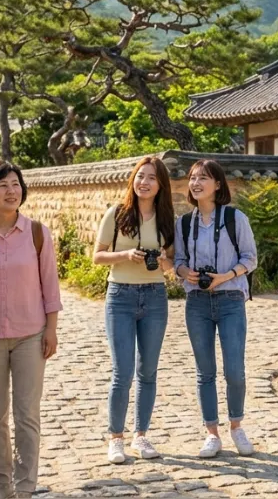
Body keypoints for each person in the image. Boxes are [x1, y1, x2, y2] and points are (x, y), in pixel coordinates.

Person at [0, 161, 62, 499]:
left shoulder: (37, 232)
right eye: (3, 185)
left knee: (27, 416)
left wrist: (51, 329)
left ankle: (25, 488)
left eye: (16, 184)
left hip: (30, 335)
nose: (12, 191)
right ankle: (2, 487)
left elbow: (50, 286)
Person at [173, 159, 258, 458]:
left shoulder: (236, 219)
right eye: (192, 178)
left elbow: (250, 258)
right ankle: (212, 433)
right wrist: (185, 273)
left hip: (231, 300)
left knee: (234, 369)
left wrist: (225, 276)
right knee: (204, 371)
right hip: (196, 302)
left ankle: (237, 427)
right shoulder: (183, 223)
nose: (196, 183)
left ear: (218, 185)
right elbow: (178, 262)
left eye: (203, 178)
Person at [93, 156, 175, 463]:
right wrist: (127, 254)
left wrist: (162, 261)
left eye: (152, 178)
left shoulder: (167, 219)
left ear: (160, 185)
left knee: (148, 371)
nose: (145, 182)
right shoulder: (117, 213)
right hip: (120, 296)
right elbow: (97, 257)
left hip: (155, 296)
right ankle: (116, 438)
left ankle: (141, 435)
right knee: (122, 371)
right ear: (133, 180)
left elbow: (171, 264)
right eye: (140, 176)